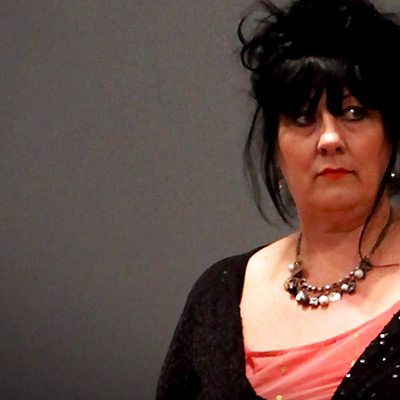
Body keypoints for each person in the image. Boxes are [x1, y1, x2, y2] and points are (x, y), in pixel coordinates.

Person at [156, 0, 400, 398]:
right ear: (275, 149)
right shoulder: (218, 296)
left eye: (354, 113)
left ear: (391, 136)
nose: (330, 139)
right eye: (303, 118)